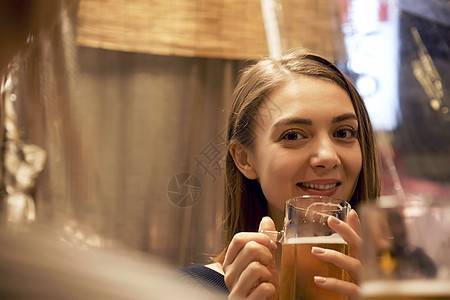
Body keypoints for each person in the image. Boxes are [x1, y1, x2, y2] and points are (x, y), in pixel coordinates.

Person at [178, 49, 381, 299]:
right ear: (244, 159)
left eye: (343, 133)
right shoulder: (187, 290)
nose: (328, 157)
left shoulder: (413, 280)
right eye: (293, 135)